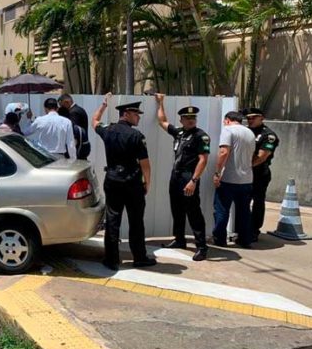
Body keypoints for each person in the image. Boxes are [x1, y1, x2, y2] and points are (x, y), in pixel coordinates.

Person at [92, 96, 155, 270]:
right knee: (136, 221)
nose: (139, 117)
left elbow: (95, 121)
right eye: (136, 114)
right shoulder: (136, 136)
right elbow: (145, 164)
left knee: (112, 220)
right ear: (126, 114)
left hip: (112, 181)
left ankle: (111, 260)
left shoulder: (108, 130)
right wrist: (147, 183)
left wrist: (103, 106)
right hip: (132, 183)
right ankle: (140, 258)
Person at [156, 95, 210, 261]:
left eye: (193, 118)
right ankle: (179, 240)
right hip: (176, 175)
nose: (191, 120)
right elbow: (162, 121)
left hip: (189, 176)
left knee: (193, 212)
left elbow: (203, 159)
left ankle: (202, 246)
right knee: (177, 210)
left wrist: (193, 181)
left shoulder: (201, 136)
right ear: (181, 120)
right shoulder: (179, 133)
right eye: (187, 118)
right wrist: (160, 102)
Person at [212, 111, 256, 248]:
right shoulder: (250, 133)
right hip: (247, 179)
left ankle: (220, 239)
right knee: (244, 212)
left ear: (227, 120)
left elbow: (224, 152)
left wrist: (217, 172)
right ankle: (245, 240)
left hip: (229, 178)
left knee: (222, 210)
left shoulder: (228, 130)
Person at [245, 107, 279, 242]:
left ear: (262, 118)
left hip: (259, 173)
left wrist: (246, 167)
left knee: (258, 202)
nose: (250, 120)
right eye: (248, 118)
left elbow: (261, 157)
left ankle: (254, 230)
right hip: (245, 172)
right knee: (244, 201)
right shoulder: (246, 132)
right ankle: (243, 227)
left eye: (253, 117)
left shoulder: (268, 135)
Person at [58, 93, 90, 159]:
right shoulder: (79, 109)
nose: (61, 108)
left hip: (77, 149)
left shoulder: (73, 112)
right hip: (81, 147)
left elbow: (73, 131)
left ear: (66, 102)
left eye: (62, 105)